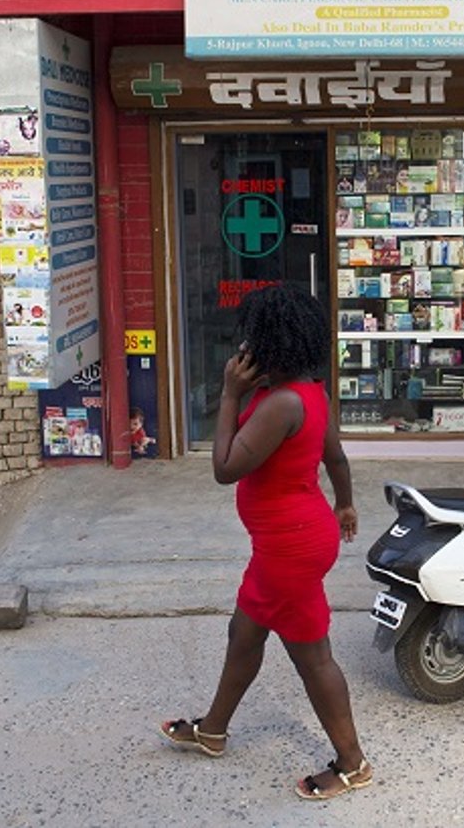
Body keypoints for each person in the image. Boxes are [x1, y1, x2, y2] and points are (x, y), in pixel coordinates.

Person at [159, 284, 372, 801]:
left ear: (268, 345)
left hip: (290, 550)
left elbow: (225, 469)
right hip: (290, 540)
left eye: (250, 339)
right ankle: (213, 729)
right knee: (244, 634)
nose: (243, 349)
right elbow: (336, 458)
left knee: (313, 658)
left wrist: (229, 394)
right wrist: (344, 503)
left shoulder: (279, 403)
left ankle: (352, 763)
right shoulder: (310, 392)